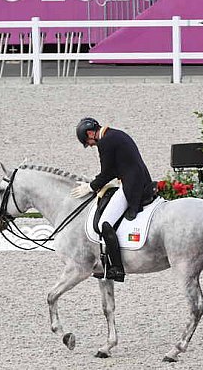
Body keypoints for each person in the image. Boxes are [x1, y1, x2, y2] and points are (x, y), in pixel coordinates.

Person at [70, 117, 154, 282]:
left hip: (132, 186)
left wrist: (90, 186)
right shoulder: (116, 134)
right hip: (140, 180)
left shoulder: (105, 142)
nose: (91, 145)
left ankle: (115, 268)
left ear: (90, 133)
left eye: (88, 142)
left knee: (105, 223)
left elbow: (107, 172)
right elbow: (116, 169)